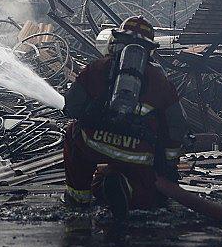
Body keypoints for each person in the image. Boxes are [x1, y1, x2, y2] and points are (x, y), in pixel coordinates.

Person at [61, 16, 188, 219]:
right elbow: (176, 127)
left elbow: (71, 107)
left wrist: (96, 120)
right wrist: (168, 166)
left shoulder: (96, 68)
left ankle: (79, 198)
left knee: (72, 133)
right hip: (137, 153)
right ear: (150, 50)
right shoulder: (160, 81)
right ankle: (125, 188)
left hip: (92, 143)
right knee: (148, 196)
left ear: (116, 41)